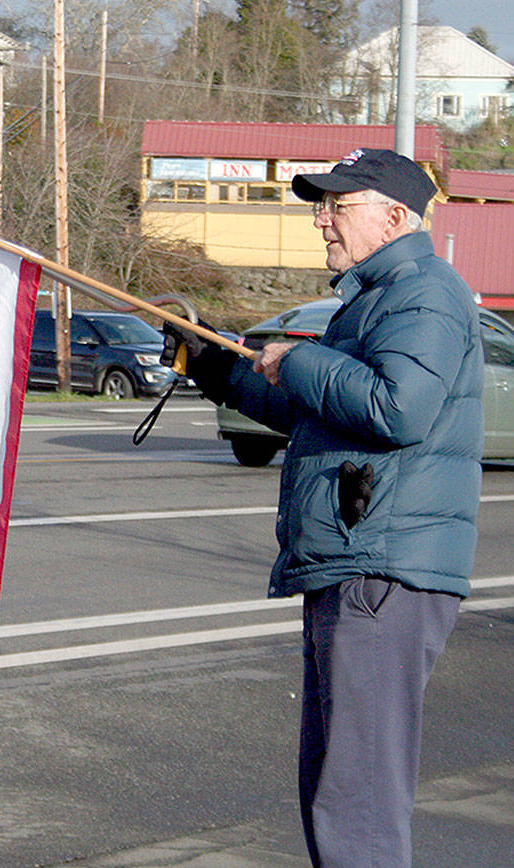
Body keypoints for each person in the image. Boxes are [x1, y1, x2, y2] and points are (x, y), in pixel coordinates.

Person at [166, 148, 481, 867]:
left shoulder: (423, 291)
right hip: (359, 564)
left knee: (356, 794)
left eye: (338, 205)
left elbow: (398, 408)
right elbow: (321, 410)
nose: (321, 221)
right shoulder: (373, 297)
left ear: (395, 216)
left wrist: (301, 358)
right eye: (321, 205)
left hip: (382, 571)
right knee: (338, 784)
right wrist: (216, 366)